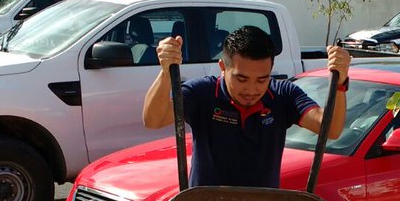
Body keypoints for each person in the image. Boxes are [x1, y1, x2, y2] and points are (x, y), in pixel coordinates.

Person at [142, 25, 350, 188]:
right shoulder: (202, 93)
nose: (251, 89)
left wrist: (340, 83)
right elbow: (153, 120)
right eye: (241, 79)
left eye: (262, 79)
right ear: (223, 67)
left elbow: (330, 129)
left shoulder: (282, 94)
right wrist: (165, 72)